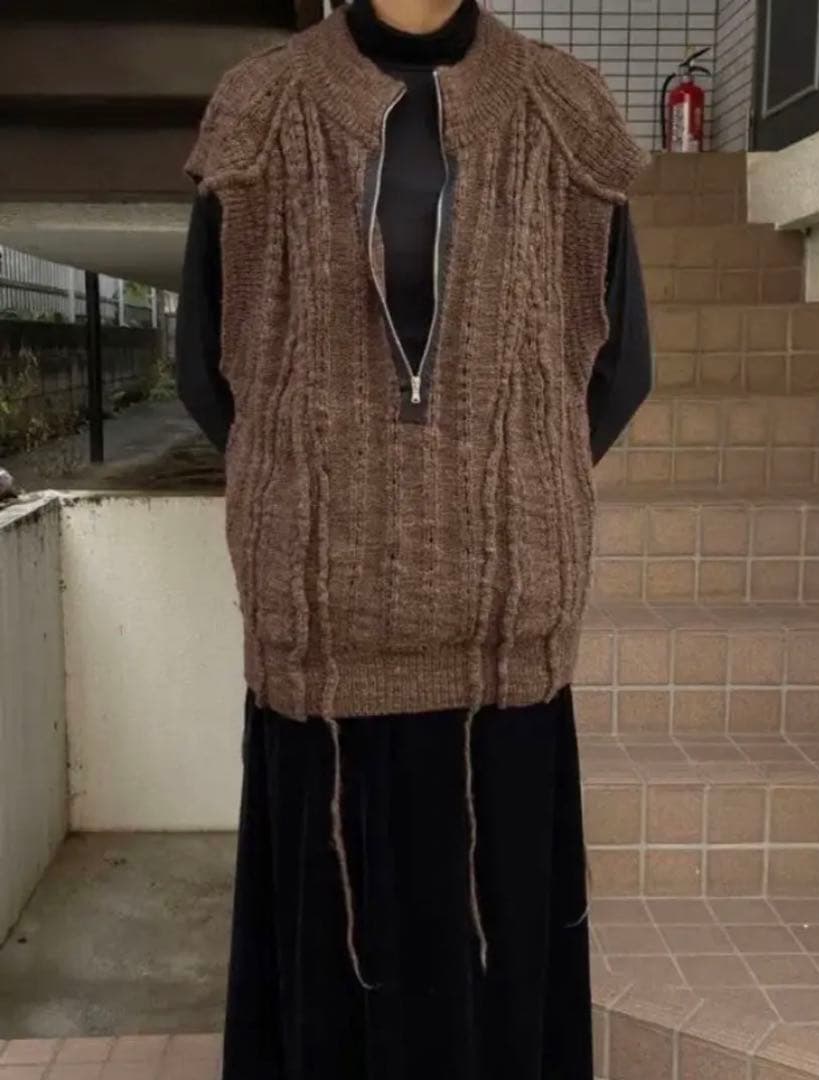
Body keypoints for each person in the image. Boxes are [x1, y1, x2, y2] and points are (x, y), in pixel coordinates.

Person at [176, 2, 652, 1077]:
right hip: (321, 653)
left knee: (499, 971)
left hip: (505, 657)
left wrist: (518, 483)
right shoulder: (261, 107)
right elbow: (207, 368)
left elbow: (620, 366)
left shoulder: (565, 109)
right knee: (328, 978)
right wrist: (315, 485)